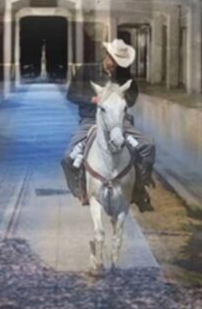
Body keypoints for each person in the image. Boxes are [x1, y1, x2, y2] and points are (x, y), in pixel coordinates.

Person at [61, 39, 156, 212]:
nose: (114, 65)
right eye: (112, 60)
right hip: (91, 121)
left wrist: (121, 99)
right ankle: (81, 190)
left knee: (148, 146)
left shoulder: (124, 75)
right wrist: (93, 99)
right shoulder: (86, 70)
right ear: (107, 56)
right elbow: (71, 95)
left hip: (120, 123)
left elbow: (132, 97)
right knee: (68, 157)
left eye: (118, 63)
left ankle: (139, 187)